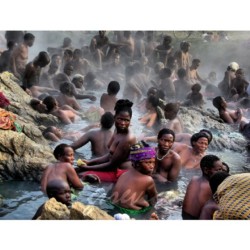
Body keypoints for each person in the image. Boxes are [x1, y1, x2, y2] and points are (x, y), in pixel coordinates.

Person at [76, 99, 137, 183]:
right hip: (113, 168)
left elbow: (111, 164)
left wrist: (87, 167)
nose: (123, 123)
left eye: (127, 120)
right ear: (114, 117)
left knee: (81, 174)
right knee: (77, 170)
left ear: (130, 120)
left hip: (122, 174)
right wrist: (89, 162)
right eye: (120, 119)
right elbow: (109, 155)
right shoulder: (117, 130)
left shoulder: (127, 138)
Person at [110, 141, 157, 213]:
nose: (152, 166)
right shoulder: (148, 180)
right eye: (148, 162)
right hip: (132, 212)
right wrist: (152, 210)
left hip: (113, 205)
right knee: (147, 204)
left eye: (153, 162)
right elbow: (153, 199)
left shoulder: (124, 174)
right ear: (137, 164)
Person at [182, 154, 225, 220]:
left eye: (222, 170)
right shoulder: (211, 187)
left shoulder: (194, 179)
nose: (222, 173)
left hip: (184, 216)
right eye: (219, 170)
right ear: (206, 170)